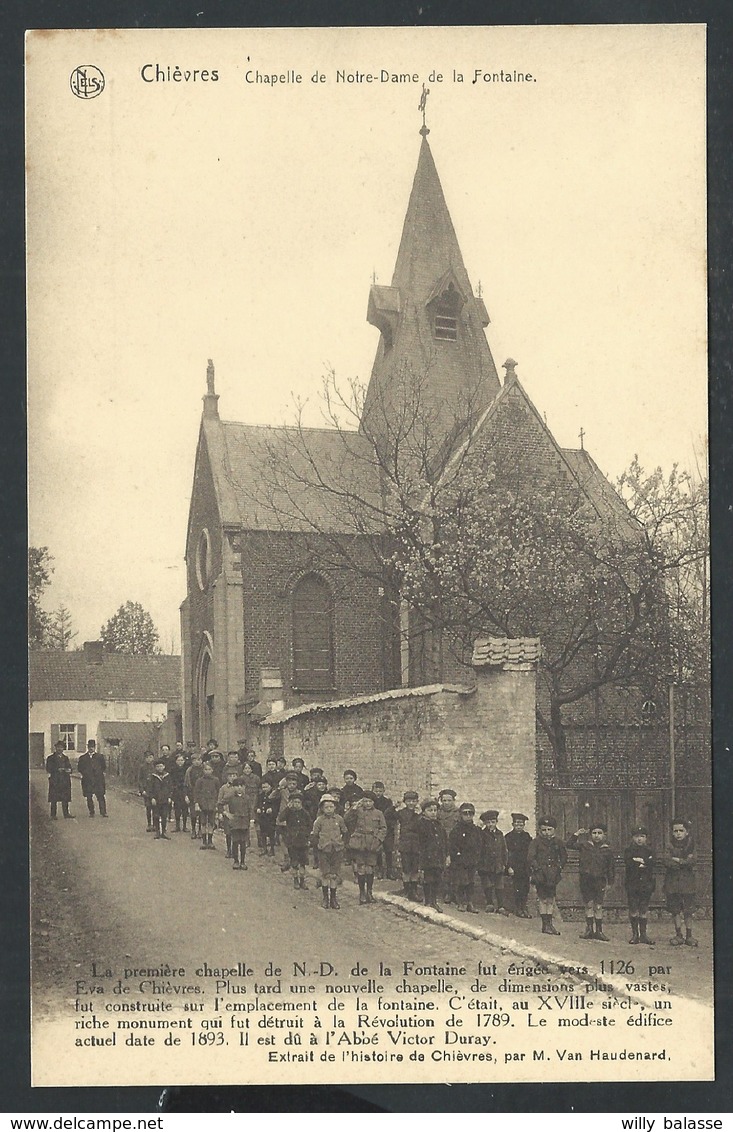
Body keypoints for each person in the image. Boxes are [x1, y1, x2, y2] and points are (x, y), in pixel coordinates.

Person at [566, 823, 615, 940]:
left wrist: (610, 882)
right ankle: (589, 930)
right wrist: (576, 834)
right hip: (586, 881)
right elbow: (569, 845)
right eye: (594, 833)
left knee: (598, 906)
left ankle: (599, 931)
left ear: (604, 835)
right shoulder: (585, 846)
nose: (597, 836)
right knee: (588, 905)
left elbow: (611, 868)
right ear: (590, 834)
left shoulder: (607, 850)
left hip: (600, 881)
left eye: (599, 833)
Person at [527, 817, 567, 935]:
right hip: (541, 874)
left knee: (551, 899)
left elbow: (564, 856)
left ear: (554, 830)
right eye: (544, 830)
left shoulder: (558, 842)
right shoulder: (536, 842)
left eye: (549, 830)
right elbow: (530, 857)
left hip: (553, 874)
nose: (547, 833)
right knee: (542, 899)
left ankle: (550, 924)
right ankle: (545, 925)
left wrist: (559, 867)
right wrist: (537, 869)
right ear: (540, 830)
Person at [346, 792, 387, 905]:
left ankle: (369, 892)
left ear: (373, 802)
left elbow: (383, 828)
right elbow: (346, 819)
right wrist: (353, 808)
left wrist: (378, 840)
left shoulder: (378, 813)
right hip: (359, 842)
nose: (367, 803)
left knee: (370, 868)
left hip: (372, 843)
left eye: (370, 801)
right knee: (361, 868)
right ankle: (362, 893)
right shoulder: (357, 812)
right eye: (365, 801)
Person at [310, 793, 349, 909]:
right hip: (324, 850)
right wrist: (318, 847)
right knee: (325, 874)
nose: (329, 809)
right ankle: (325, 898)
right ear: (322, 808)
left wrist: (343, 844)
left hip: (337, 850)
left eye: (331, 807)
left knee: (334, 875)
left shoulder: (339, 819)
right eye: (326, 807)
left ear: (335, 807)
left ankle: (333, 898)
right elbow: (314, 836)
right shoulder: (319, 821)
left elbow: (345, 832)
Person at [664, 818, 698, 947]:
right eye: (675, 831)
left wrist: (677, 859)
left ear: (687, 832)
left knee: (688, 910)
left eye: (681, 831)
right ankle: (678, 935)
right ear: (672, 833)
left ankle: (689, 936)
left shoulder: (691, 846)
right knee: (675, 910)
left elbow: (693, 860)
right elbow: (666, 861)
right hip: (672, 883)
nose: (678, 833)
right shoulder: (669, 846)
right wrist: (683, 861)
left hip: (688, 883)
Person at [624, 825, 656, 945]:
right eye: (637, 836)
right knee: (633, 909)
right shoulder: (628, 851)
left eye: (642, 836)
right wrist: (644, 862)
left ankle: (643, 935)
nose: (639, 839)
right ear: (633, 838)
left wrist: (639, 861)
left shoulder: (650, 851)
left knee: (643, 909)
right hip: (632, 884)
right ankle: (635, 935)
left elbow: (652, 863)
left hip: (646, 884)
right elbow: (629, 863)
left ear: (646, 838)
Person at [448, 803, 482, 913]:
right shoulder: (456, 830)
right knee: (462, 881)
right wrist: (457, 856)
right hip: (460, 861)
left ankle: (470, 902)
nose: (468, 816)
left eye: (470, 813)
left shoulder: (476, 830)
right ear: (460, 814)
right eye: (465, 813)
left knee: (471, 882)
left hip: (472, 860)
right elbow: (452, 845)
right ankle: (461, 902)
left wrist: (476, 857)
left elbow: (479, 844)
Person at [418, 798, 448, 911]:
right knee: (428, 878)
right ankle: (428, 901)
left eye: (435, 810)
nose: (433, 812)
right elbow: (419, 843)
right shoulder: (421, 824)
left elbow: (444, 841)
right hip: (427, 856)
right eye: (430, 810)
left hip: (438, 857)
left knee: (437, 878)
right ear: (424, 812)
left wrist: (446, 855)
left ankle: (434, 901)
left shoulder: (439, 825)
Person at [478, 810, 509, 914]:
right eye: (488, 822)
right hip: (485, 864)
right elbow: (479, 849)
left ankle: (500, 906)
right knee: (487, 884)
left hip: (498, 864)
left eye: (493, 822)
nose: (491, 824)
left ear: (496, 822)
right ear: (485, 823)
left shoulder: (500, 835)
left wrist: (504, 863)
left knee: (499, 885)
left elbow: (504, 850)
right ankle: (489, 904)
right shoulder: (482, 834)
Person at [280, 792, 312, 889]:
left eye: (298, 802)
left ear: (301, 803)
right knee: (294, 863)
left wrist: (307, 837)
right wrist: (287, 808)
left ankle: (302, 881)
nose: (296, 804)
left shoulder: (305, 813)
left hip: (303, 842)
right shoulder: (289, 812)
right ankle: (295, 880)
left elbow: (310, 825)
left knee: (303, 863)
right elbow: (281, 818)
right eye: (294, 802)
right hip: (292, 841)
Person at [394, 791, 422, 900]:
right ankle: (406, 890)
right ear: (405, 802)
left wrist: (418, 814)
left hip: (416, 843)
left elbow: (419, 826)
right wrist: (394, 806)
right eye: (409, 801)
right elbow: (389, 816)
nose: (411, 803)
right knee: (406, 868)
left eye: (414, 801)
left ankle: (414, 891)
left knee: (415, 868)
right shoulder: (401, 812)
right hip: (405, 843)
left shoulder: (419, 814)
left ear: (417, 802)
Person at [505, 813, 533, 918]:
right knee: (517, 888)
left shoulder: (527, 837)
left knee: (525, 888)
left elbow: (530, 852)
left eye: (521, 824)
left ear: (524, 825)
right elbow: (506, 854)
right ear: (513, 824)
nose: (519, 826)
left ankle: (523, 907)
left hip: (525, 867)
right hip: (514, 867)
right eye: (517, 823)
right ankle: (518, 909)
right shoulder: (508, 837)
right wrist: (509, 867)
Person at [437, 789, 460, 902]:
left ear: (453, 800)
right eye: (444, 800)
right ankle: (446, 892)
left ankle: (454, 893)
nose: (446, 803)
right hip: (441, 842)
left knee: (455, 869)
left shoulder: (458, 813)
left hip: (454, 843)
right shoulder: (437, 812)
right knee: (444, 868)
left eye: (449, 800)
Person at [77, 740, 107, 817]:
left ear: (95, 747)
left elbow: (103, 767)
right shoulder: (83, 758)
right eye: (90, 747)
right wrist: (86, 774)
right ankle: (91, 812)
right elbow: (79, 768)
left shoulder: (100, 757)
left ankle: (103, 812)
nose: (91, 748)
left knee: (100, 796)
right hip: (87, 780)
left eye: (92, 747)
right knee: (89, 796)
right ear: (87, 747)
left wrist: (98, 773)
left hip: (98, 780)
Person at [193, 762, 220, 850]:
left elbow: (218, 792)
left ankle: (210, 841)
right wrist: (197, 803)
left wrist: (217, 804)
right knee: (203, 822)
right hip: (202, 804)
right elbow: (196, 793)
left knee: (211, 823)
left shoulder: (216, 780)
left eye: (209, 769)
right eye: (206, 769)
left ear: (212, 770)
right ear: (203, 770)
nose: (207, 771)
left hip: (212, 804)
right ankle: (204, 841)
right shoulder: (199, 781)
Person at [372, 781, 396, 878]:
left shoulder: (387, 802)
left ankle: (389, 870)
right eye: (376, 791)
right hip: (376, 828)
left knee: (388, 850)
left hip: (387, 828)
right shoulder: (372, 802)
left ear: (383, 791)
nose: (378, 793)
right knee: (378, 850)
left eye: (380, 791)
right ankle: (379, 870)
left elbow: (392, 815)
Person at [228, 781, 254, 870]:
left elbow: (250, 809)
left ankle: (243, 861)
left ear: (244, 787)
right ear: (233, 787)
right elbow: (220, 804)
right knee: (235, 842)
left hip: (244, 823)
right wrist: (226, 813)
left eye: (241, 786)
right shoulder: (230, 798)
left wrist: (251, 820)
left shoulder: (247, 798)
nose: (239, 788)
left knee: (243, 843)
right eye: (237, 786)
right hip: (235, 823)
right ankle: (236, 861)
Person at [46, 740, 74, 819]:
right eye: (58, 747)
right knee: (54, 798)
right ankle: (53, 815)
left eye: (61, 747)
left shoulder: (66, 758)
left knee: (65, 797)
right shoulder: (50, 758)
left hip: (64, 780)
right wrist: (57, 769)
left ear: (63, 749)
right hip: (55, 780)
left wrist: (68, 770)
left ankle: (66, 813)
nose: (59, 749)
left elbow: (70, 768)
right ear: (55, 748)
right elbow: (48, 768)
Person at [217, 768, 241, 858]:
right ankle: (229, 850)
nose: (232, 778)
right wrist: (221, 813)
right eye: (230, 776)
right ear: (227, 777)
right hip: (227, 812)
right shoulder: (223, 788)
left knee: (236, 832)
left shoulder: (240, 787)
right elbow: (219, 801)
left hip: (237, 812)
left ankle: (235, 851)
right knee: (228, 833)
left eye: (234, 776)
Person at [148, 760, 173, 839]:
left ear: (164, 766)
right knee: (156, 815)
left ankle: (164, 831)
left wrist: (169, 797)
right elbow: (150, 788)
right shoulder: (153, 776)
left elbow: (170, 787)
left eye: (161, 766)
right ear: (155, 767)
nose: (159, 768)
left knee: (164, 815)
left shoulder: (167, 776)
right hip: (156, 799)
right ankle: (157, 831)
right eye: (158, 766)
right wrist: (152, 798)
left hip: (165, 799)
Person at [184, 752, 205, 839]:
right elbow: (186, 784)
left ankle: (200, 829)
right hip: (192, 793)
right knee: (193, 813)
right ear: (192, 761)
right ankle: (193, 830)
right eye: (195, 760)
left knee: (201, 813)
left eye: (199, 760)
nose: (197, 762)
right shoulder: (189, 771)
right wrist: (186, 795)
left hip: (202, 794)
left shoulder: (204, 769)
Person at [256, 782, 280, 856]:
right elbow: (256, 804)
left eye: (266, 787)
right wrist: (257, 809)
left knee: (271, 834)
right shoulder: (260, 796)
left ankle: (272, 849)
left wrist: (272, 809)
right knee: (263, 833)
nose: (264, 789)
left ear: (270, 787)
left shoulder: (274, 796)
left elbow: (277, 806)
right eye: (263, 787)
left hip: (270, 818)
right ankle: (264, 849)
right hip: (262, 817)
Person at [169, 753, 190, 832]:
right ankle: (177, 826)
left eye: (182, 760)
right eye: (178, 760)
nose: (180, 762)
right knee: (177, 808)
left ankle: (184, 826)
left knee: (185, 809)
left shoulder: (186, 770)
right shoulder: (173, 770)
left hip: (184, 791)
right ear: (175, 761)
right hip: (176, 791)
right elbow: (171, 781)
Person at [138, 752, 156, 831]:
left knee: (155, 808)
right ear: (145, 759)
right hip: (147, 790)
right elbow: (140, 780)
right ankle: (149, 824)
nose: (149, 759)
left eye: (151, 757)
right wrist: (142, 790)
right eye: (147, 757)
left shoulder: (155, 767)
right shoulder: (142, 767)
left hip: (155, 790)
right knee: (148, 808)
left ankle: (155, 825)